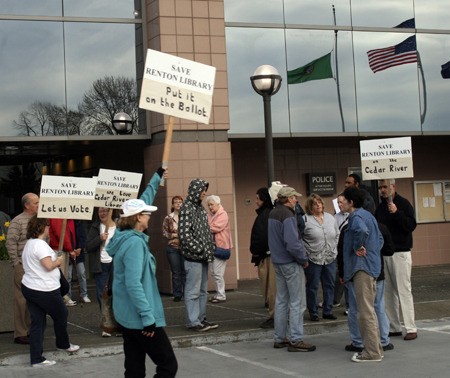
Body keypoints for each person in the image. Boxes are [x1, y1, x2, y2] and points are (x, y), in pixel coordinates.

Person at [106, 197, 177, 378]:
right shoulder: (135, 243)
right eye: (146, 214)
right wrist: (147, 316)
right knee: (168, 365)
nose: (149, 217)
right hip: (140, 318)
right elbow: (133, 283)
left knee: (134, 368)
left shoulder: (123, 238)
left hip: (126, 315)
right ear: (138, 217)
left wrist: (158, 175)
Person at [21, 215, 80, 367]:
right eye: (47, 226)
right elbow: (48, 265)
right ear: (41, 228)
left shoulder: (29, 244)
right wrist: (58, 262)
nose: (49, 228)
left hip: (31, 287)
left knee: (38, 322)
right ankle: (63, 343)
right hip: (44, 289)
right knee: (61, 314)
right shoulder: (40, 245)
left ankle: (36, 358)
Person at [268, 186, 316, 353]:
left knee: (281, 300)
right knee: (297, 302)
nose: (296, 200)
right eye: (294, 197)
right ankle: (295, 339)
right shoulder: (288, 215)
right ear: (288, 199)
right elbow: (292, 243)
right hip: (290, 262)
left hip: (278, 261)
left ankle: (280, 337)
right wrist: (303, 259)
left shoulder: (273, 213)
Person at [341, 186, 384, 362]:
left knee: (364, 311)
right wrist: (371, 252)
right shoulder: (369, 215)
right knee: (370, 310)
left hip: (361, 269)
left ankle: (371, 352)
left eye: (343, 201)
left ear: (351, 203)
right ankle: (376, 349)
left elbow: (361, 231)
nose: (341, 203)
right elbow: (379, 239)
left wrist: (357, 247)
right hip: (371, 267)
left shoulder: (356, 217)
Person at [375, 179, 418, 341]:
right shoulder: (380, 207)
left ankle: (411, 327)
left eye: (385, 187)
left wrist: (397, 212)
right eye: (380, 187)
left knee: (403, 290)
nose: (382, 190)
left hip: (401, 252)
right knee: (388, 292)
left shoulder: (403, 204)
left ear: (393, 187)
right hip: (385, 253)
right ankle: (394, 326)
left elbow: (411, 225)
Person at [345, 221, 395, 353]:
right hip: (377, 272)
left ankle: (358, 341)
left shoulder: (349, 228)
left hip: (356, 272)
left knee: (356, 307)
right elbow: (389, 249)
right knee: (379, 306)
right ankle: (383, 340)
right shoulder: (381, 227)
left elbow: (342, 249)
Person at [178, 178, 218, 332]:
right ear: (195, 190)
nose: (204, 193)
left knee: (202, 290)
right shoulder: (187, 208)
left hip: (202, 257)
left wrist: (208, 248)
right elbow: (184, 235)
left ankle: (200, 319)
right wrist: (201, 249)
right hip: (194, 257)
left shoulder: (199, 208)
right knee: (193, 290)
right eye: (202, 190)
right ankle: (193, 321)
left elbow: (204, 231)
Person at [6, 192, 39, 345]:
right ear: (27, 205)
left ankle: (32, 330)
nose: (39, 205)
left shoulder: (39, 220)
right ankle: (20, 333)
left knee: (34, 299)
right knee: (21, 300)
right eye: (36, 202)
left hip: (37, 266)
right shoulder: (17, 221)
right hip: (22, 265)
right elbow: (10, 242)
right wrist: (16, 263)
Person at [303, 194, 339, 321]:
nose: (318, 205)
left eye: (320, 202)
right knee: (313, 286)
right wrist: (305, 253)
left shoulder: (330, 218)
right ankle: (313, 311)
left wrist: (334, 248)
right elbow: (300, 238)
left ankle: (328, 310)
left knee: (329, 284)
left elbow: (337, 234)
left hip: (330, 256)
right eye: (315, 203)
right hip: (313, 257)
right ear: (310, 207)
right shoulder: (305, 219)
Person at [86, 207, 119, 337]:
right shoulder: (95, 227)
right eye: (100, 211)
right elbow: (88, 246)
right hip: (100, 265)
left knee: (116, 293)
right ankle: (107, 324)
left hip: (115, 265)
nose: (103, 213)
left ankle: (118, 323)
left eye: (105, 210)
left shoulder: (119, 227)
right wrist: (99, 238)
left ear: (111, 211)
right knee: (102, 295)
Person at [249, 187, 275, 329]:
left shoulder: (265, 215)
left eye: (258, 198)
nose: (256, 201)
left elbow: (261, 237)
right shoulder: (271, 213)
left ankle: (274, 317)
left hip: (267, 256)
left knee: (271, 289)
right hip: (269, 255)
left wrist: (256, 252)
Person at [48, 218, 89, 306]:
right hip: (63, 249)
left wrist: (78, 248)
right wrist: (70, 249)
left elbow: (81, 236)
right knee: (64, 276)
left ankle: (70, 296)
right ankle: (64, 297)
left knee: (76, 274)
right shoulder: (58, 218)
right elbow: (61, 233)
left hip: (69, 249)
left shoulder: (76, 221)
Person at [206, 195, 233, 303]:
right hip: (213, 247)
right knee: (214, 272)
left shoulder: (223, 214)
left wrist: (204, 228)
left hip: (221, 247)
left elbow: (215, 228)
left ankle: (221, 295)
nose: (210, 207)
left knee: (217, 273)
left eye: (212, 204)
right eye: (208, 205)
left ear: (218, 204)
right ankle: (219, 294)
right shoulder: (211, 215)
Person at [163, 196, 185, 302]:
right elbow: (165, 232)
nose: (178, 204)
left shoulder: (186, 217)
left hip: (185, 248)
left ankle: (187, 293)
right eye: (176, 202)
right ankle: (177, 294)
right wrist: (175, 236)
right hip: (173, 248)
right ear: (172, 205)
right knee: (176, 271)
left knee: (185, 270)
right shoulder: (168, 218)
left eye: (180, 202)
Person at [334, 194, 349, 313]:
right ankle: (335, 299)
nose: (339, 205)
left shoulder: (352, 216)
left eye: (341, 202)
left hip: (348, 250)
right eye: (338, 202)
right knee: (338, 276)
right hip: (338, 249)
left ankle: (349, 305)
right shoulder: (336, 216)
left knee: (348, 278)